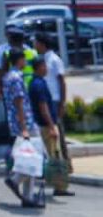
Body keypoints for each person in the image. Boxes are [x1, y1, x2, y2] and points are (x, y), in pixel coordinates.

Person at [2, 49, 42, 208]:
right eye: (24, 59)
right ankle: (15, 180)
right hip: (25, 123)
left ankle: (28, 197)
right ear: (19, 60)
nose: (26, 62)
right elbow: (19, 103)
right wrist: (24, 127)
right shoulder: (17, 78)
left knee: (27, 159)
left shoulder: (7, 77)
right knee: (33, 158)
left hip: (15, 123)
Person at [29, 55, 73, 197]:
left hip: (45, 125)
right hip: (47, 126)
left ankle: (59, 186)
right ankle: (59, 187)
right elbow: (43, 107)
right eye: (44, 66)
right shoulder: (39, 84)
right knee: (55, 156)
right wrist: (52, 126)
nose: (46, 68)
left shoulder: (36, 82)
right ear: (40, 67)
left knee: (54, 155)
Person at [33, 32, 72, 180]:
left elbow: (61, 81)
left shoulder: (54, 60)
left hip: (54, 100)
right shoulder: (41, 60)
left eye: (36, 43)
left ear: (43, 44)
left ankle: (65, 165)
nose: (35, 46)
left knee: (58, 134)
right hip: (46, 100)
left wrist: (62, 103)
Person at [0, 28, 35, 100]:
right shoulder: (3, 51)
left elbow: (1, 72)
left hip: (25, 89)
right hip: (16, 89)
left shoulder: (7, 54)